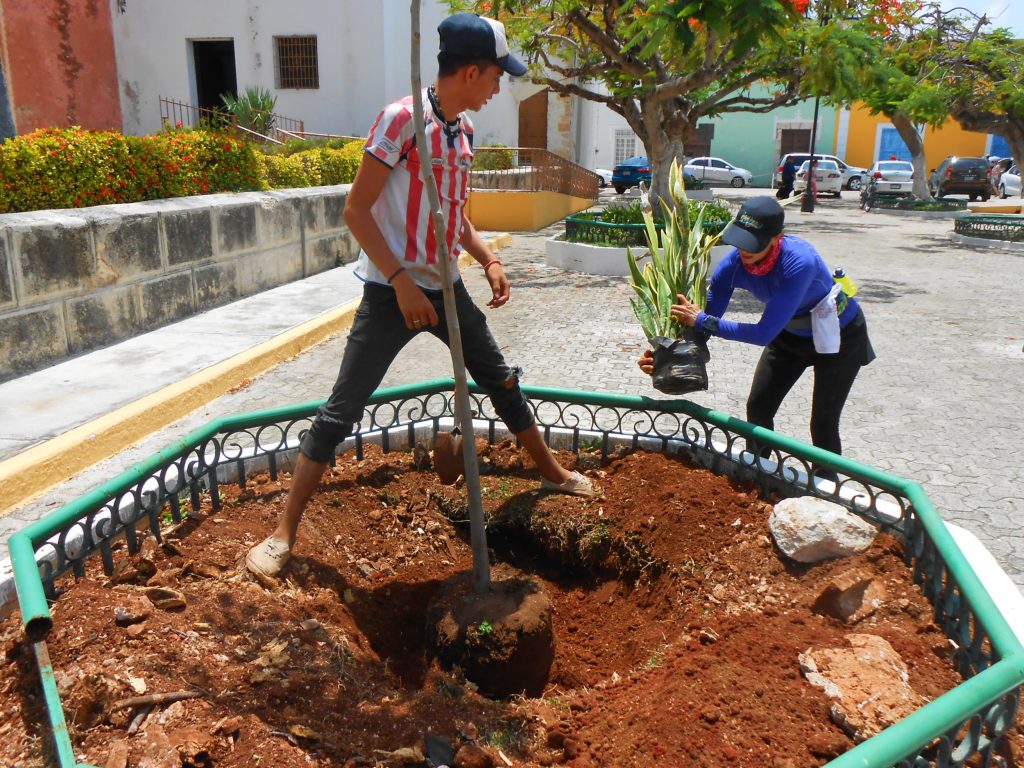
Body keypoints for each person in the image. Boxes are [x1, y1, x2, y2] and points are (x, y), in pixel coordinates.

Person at [246, 13, 598, 580]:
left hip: (447, 288)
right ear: (472, 70)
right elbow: (355, 212)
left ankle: (553, 473)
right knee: (341, 410)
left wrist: (488, 258)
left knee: (500, 377)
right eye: (495, 78)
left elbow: (454, 216)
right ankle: (283, 532)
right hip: (392, 293)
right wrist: (403, 282)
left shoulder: (463, 132)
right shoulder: (401, 119)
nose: (496, 89)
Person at [638, 196, 875, 459]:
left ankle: (827, 488)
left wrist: (704, 321)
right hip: (789, 337)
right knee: (759, 407)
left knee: (823, 422)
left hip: (840, 338)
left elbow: (762, 333)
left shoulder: (799, 263)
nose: (743, 251)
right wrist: (666, 355)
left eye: (752, 243)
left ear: (777, 238)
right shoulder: (733, 265)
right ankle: (758, 474)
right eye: (740, 241)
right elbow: (702, 328)